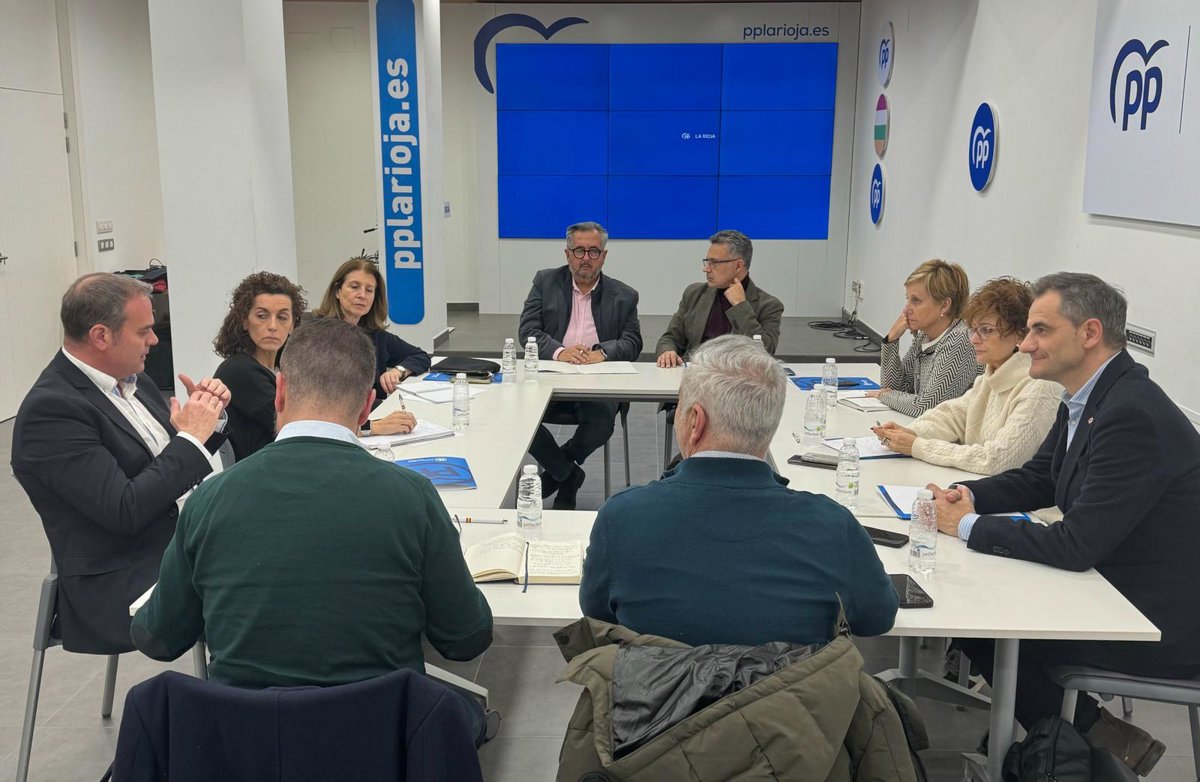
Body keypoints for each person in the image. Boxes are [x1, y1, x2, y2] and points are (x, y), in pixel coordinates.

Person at [131, 317, 494, 741]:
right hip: (378, 742)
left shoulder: (210, 499)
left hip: (242, 746)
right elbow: (466, 639)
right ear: (367, 406)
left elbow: (157, 639)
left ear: (280, 391)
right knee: (466, 715)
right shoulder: (412, 497)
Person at [927, 273, 1200, 776]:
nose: (1025, 344)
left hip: (1156, 621)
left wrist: (967, 526)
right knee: (978, 620)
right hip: (1111, 591)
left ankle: (1080, 741)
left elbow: (1075, 546)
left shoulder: (1130, 413)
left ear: (1089, 333)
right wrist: (968, 495)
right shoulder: (1091, 397)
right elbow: (1041, 478)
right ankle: (1087, 734)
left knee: (984, 627)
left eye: (1041, 330)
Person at [580, 335, 897, 646]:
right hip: (791, 683)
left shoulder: (622, 518)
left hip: (657, 683)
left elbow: (597, 613)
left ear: (695, 422)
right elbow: (877, 618)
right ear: (770, 422)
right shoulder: (831, 526)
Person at [10, 272, 230, 654]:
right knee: (257, 588)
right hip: (119, 579)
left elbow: (170, 466)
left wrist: (209, 417)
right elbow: (125, 510)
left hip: (178, 543)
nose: (154, 340)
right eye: (144, 331)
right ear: (101, 336)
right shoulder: (51, 411)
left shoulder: (133, 380)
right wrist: (190, 439)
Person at [871, 277, 1060, 474]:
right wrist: (911, 432)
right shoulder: (990, 377)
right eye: (974, 330)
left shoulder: (1039, 387)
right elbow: (951, 417)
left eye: (986, 330)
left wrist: (916, 445)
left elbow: (997, 460)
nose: (974, 339)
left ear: (1020, 334)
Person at [518, 221, 642, 509]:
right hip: (552, 378)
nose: (586, 258)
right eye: (579, 251)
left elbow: (633, 342)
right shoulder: (545, 282)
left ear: (604, 256)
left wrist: (602, 353)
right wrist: (561, 352)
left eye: (593, 251)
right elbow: (528, 331)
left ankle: (561, 469)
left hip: (598, 385)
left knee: (601, 422)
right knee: (521, 417)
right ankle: (569, 475)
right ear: (567, 254)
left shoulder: (624, 295)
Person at [212, 271, 306, 461]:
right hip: (267, 472)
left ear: (292, 326)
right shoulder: (239, 371)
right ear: (244, 321)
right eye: (262, 316)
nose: (272, 326)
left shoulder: (284, 369)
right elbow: (297, 425)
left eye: (282, 317)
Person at [655, 230, 783, 367]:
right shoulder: (694, 294)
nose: (706, 269)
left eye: (714, 262)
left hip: (738, 377)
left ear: (738, 266)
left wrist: (740, 306)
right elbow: (671, 338)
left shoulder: (769, 305)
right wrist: (667, 352)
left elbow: (765, 353)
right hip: (694, 373)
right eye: (707, 262)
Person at [867, 259, 978, 416]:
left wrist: (883, 395)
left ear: (944, 305)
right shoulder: (924, 336)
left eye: (916, 301)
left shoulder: (960, 339)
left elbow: (928, 407)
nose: (906, 310)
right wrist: (891, 339)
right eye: (908, 299)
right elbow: (896, 387)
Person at [314, 257, 431, 406]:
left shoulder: (376, 335)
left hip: (377, 412)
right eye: (354, 287)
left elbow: (420, 356)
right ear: (337, 291)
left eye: (369, 290)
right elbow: (327, 396)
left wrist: (398, 370)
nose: (362, 295)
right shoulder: (316, 336)